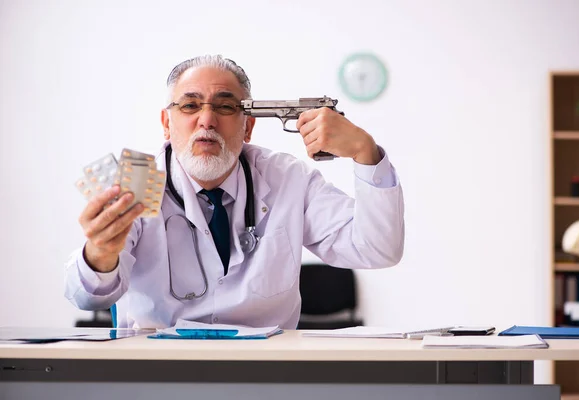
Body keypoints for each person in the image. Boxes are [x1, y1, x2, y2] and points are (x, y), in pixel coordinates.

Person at [64, 55, 405, 329]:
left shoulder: (288, 179)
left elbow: (376, 250)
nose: (207, 120)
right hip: (159, 371)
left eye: (225, 107)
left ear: (248, 126)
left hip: (266, 373)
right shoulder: (134, 183)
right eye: (190, 106)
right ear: (167, 124)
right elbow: (86, 298)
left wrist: (365, 152)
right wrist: (100, 254)